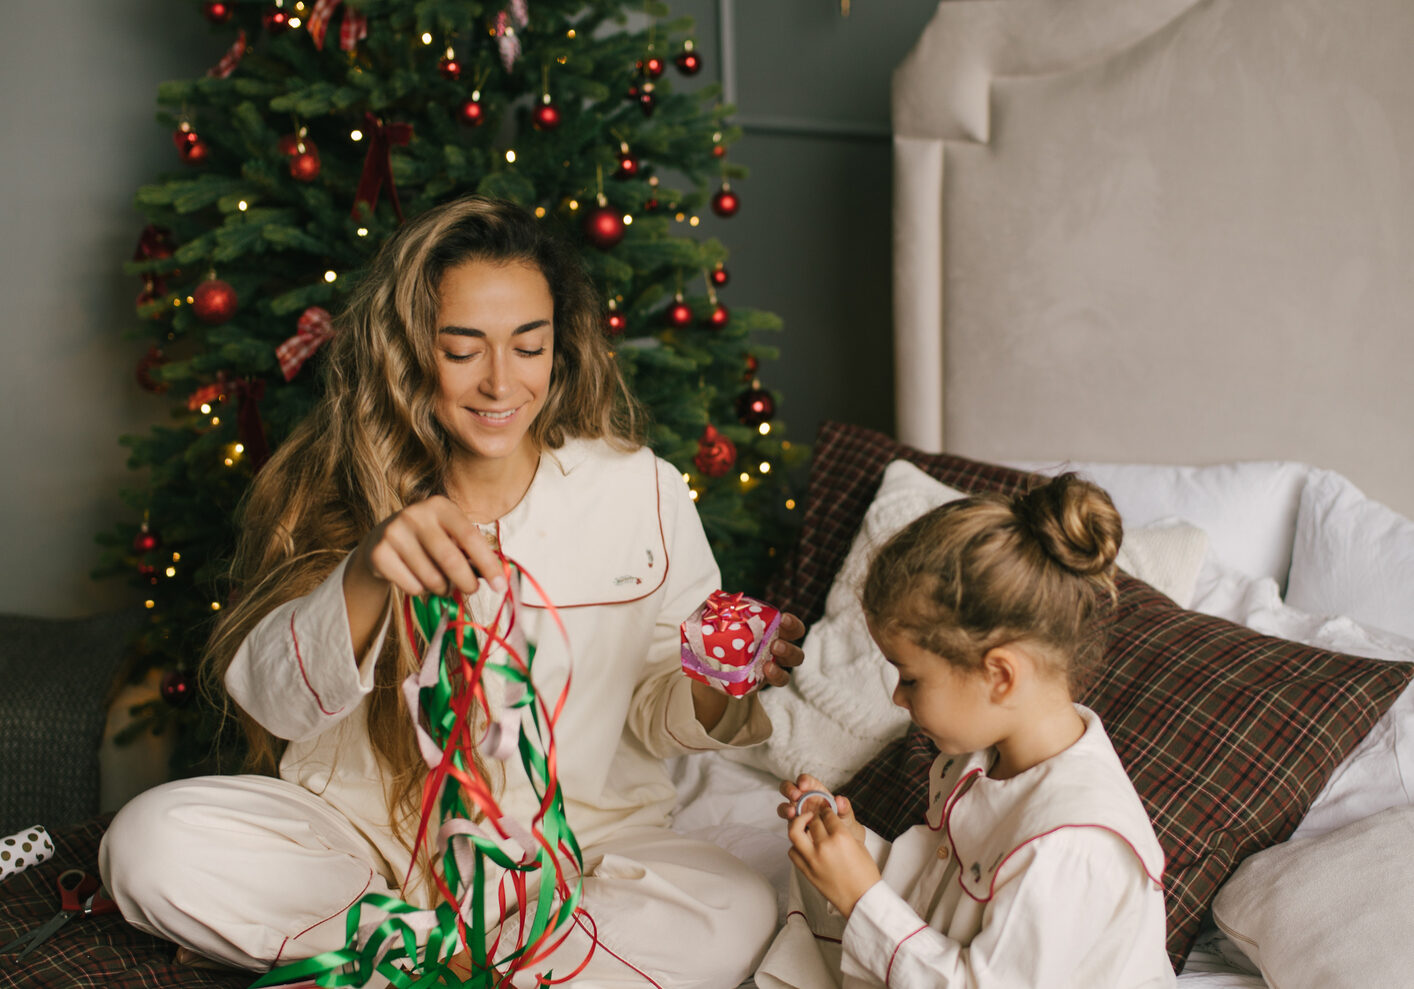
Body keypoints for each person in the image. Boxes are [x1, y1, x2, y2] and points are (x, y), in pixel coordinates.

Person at [99, 195, 804, 989]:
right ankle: (460, 957)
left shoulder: (642, 489)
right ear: (411, 353)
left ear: (559, 351)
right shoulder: (337, 481)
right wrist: (368, 569)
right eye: (463, 349)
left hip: (572, 854)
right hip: (367, 846)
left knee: (736, 906)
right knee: (148, 843)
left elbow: (653, 702)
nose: (501, 381)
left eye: (528, 347)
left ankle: (419, 965)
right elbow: (271, 700)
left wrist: (715, 686)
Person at [754, 475, 1175, 989]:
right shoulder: (981, 762)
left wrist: (859, 896)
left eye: (910, 677)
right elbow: (944, 896)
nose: (897, 698)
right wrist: (857, 849)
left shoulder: (1072, 846)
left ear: (999, 676)